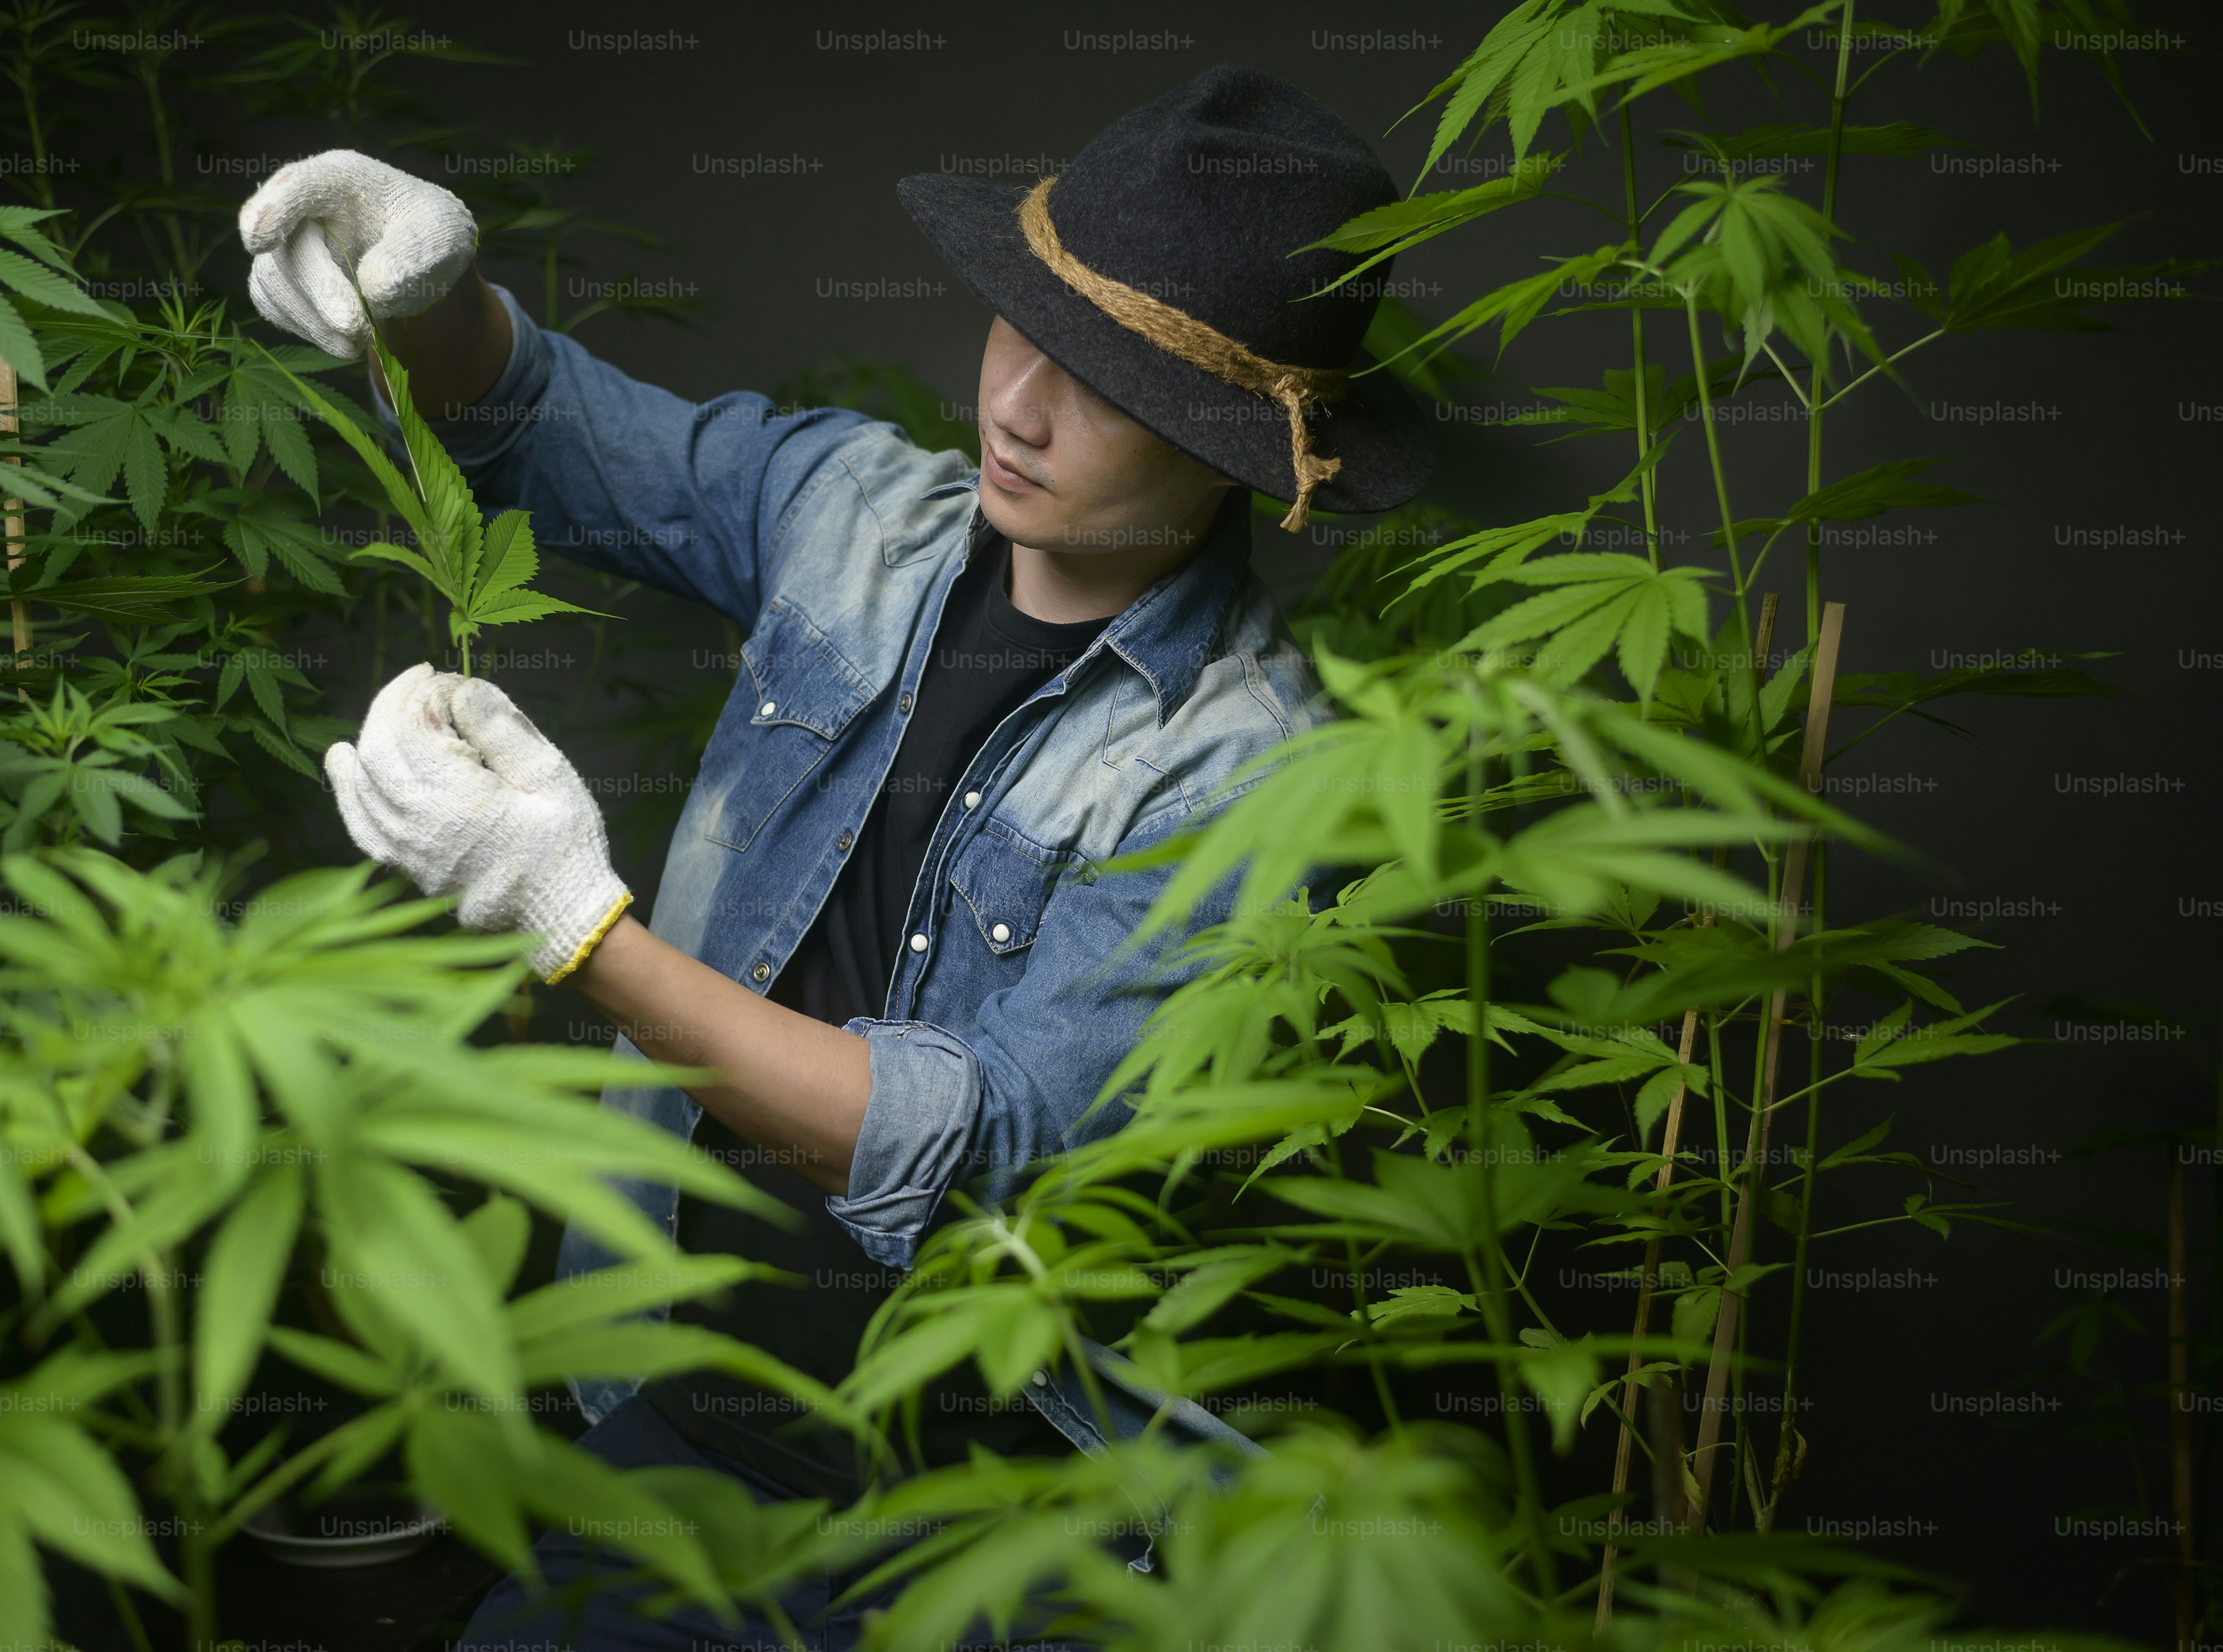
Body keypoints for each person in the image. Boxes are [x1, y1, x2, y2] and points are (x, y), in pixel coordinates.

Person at [238, 63, 1430, 1651]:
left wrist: (574, 920)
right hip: (691, 1423)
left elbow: (982, 1140)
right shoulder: (856, 512)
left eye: (1101, 381)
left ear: (1237, 447)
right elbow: (546, 425)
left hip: (1010, 1512)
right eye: (1025, 323)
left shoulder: (1248, 769)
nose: (1015, 403)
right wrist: (432, 293)